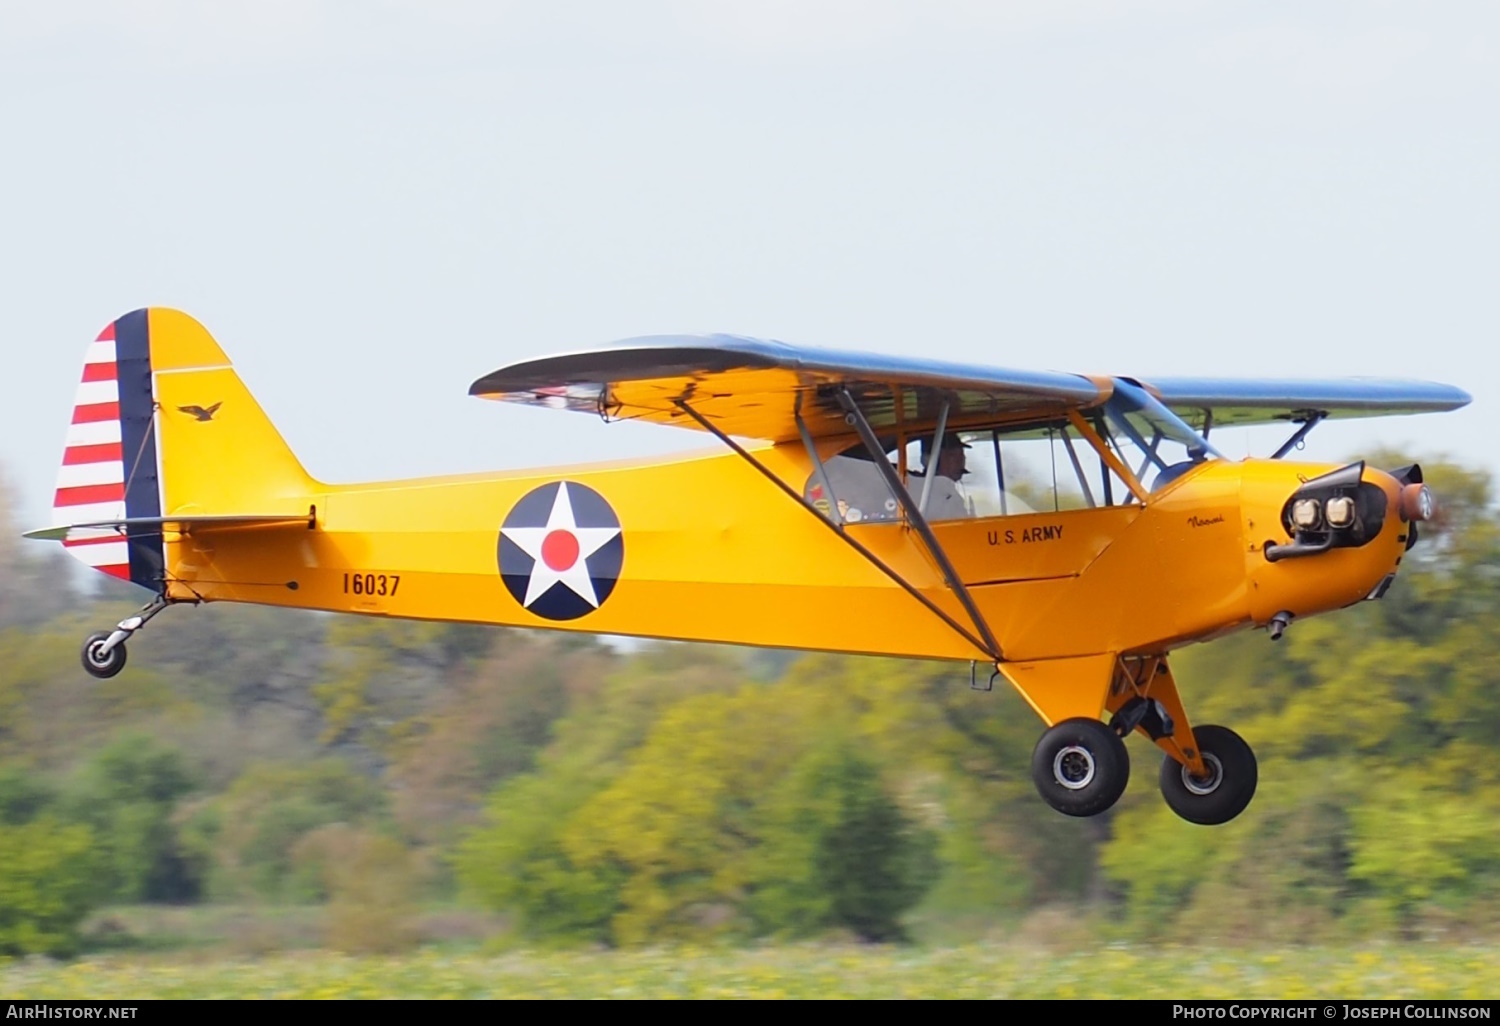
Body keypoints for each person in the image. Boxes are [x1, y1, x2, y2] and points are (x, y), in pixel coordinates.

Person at [917, 434, 974, 521]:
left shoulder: (949, 493)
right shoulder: (924, 497)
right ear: (930, 461)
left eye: (961, 454)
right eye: (952, 455)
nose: (960, 460)